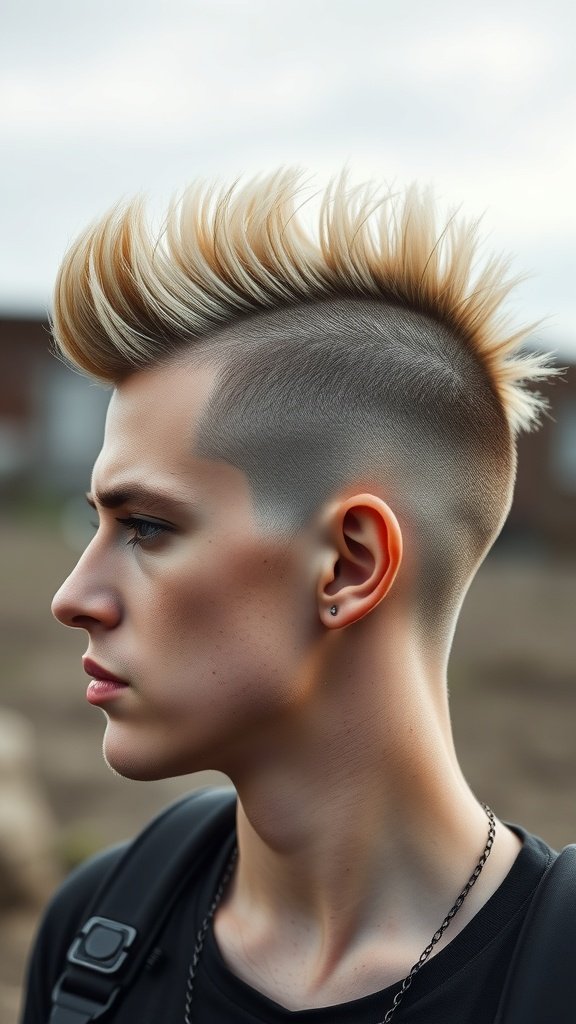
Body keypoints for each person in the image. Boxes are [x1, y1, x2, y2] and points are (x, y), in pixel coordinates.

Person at [21, 170, 562, 1023]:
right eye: (96, 522)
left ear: (350, 565)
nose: (72, 596)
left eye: (148, 527)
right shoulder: (95, 935)